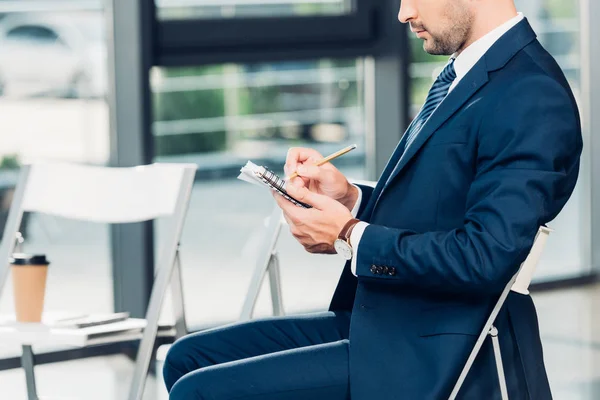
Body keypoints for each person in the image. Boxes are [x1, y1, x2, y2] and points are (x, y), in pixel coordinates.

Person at [162, 0, 582, 398]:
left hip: (437, 350)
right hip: (390, 323)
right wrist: (350, 201)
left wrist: (348, 235)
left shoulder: (531, 94)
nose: (404, 14)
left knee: (197, 391)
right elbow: (439, 208)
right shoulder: (470, 73)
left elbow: (485, 256)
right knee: (186, 358)